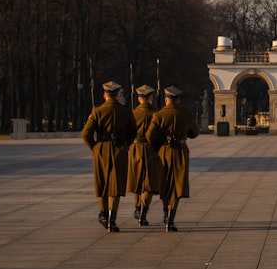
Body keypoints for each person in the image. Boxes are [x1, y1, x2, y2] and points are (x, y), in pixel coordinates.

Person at [81, 81, 136, 233]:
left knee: (102, 184)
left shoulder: (97, 111)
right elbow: (133, 132)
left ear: (104, 95)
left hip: (101, 149)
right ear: (118, 95)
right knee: (115, 186)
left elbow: (86, 134)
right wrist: (126, 145)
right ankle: (112, 219)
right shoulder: (125, 111)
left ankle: (104, 213)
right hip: (119, 149)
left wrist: (95, 147)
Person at [146, 85, 199, 232]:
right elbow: (194, 133)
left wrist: (159, 146)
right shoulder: (186, 114)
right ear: (179, 100)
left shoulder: (158, 115)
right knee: (177, 185)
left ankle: (165, 211)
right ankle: (171, 218)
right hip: (180, 151)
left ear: (166, 100)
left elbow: (150, 136)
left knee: (165, 183)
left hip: (164, 151)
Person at [128, 84, 160, 226]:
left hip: (135, 148)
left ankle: (137, 207)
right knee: (149, 183)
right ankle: (144, 212)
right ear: (151, 98)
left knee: (137, 181)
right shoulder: (156, 114)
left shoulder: (132, 114)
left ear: (139, 98)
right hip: (151, 149)